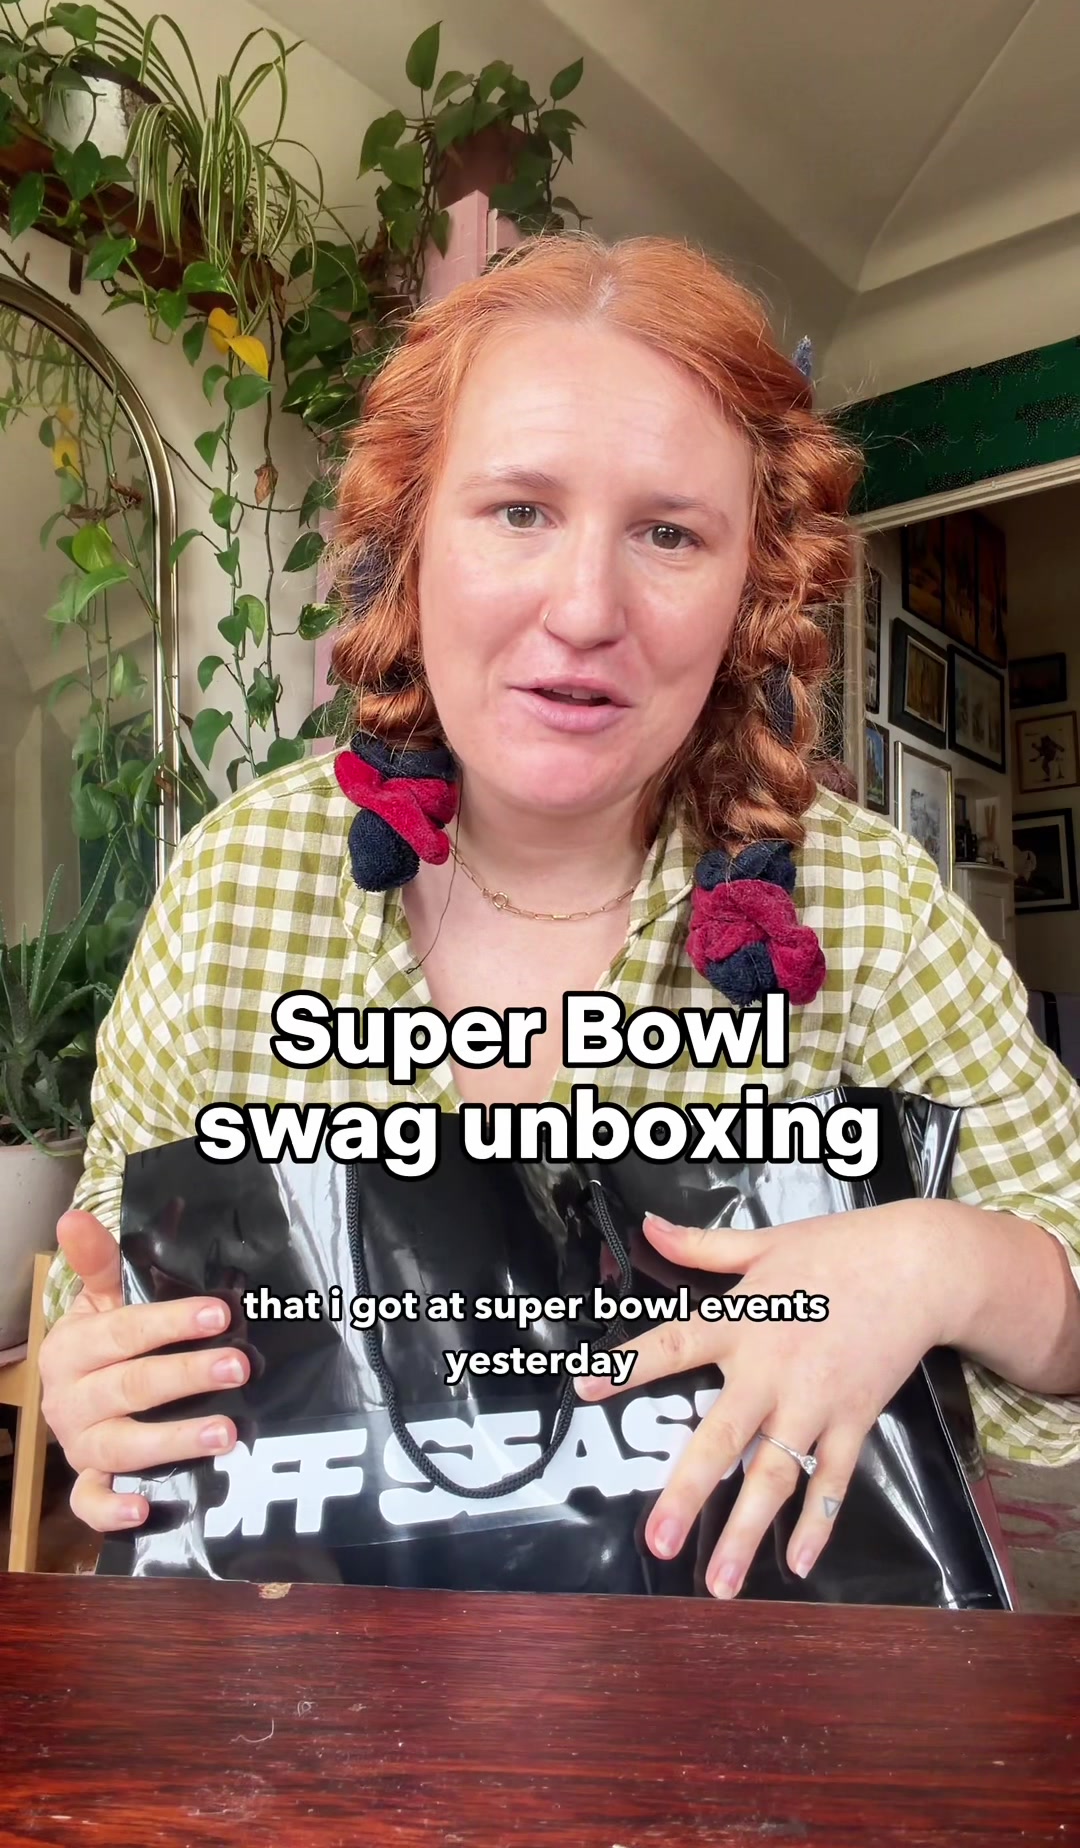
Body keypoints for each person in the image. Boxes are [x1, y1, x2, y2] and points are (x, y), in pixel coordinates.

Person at [39, 234, 1080, 1602]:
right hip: (325, 1703)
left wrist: (944, 1261)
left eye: (670, 533)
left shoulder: (869, 911)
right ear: (410, 545)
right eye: (519, 510)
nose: (586, 610)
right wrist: (92, 1377)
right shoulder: (239, 886)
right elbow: (105, 1273)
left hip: (760, 1705)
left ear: (754, 589)